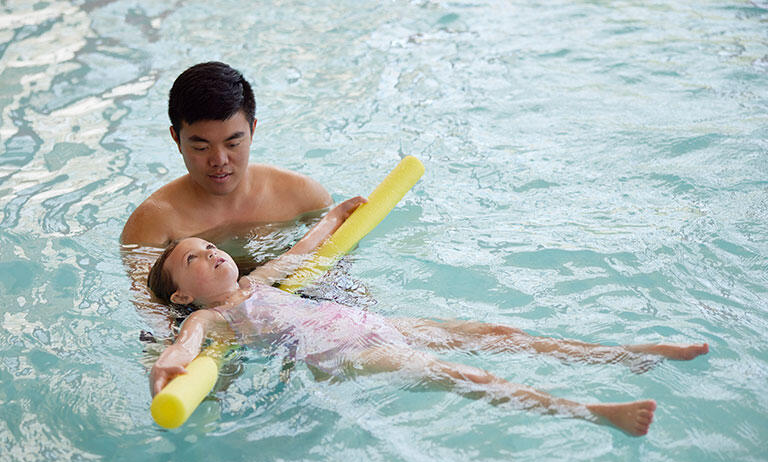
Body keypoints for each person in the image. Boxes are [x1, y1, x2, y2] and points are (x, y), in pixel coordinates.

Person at [146, 200, 709, 437]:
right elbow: (183, 348)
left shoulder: (254, 281)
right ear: (180, 298)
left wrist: (337, 216)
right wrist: (167, 368)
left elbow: (304, 255)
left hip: (363, 320)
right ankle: (591, 411)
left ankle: (618, 355)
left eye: (208, 246)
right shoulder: (214, 320)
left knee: (497, 336)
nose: (210, 253)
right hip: (341, 353)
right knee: (460, 374)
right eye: (192, 257)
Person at [121, 61, 331, 247]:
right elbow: (147, 292)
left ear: (252, 130)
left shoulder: (303, 197)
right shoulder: (152, 224)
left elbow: (337, 265)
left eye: (233, 144)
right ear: (176, 138)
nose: (219, 160)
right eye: (201, 148)